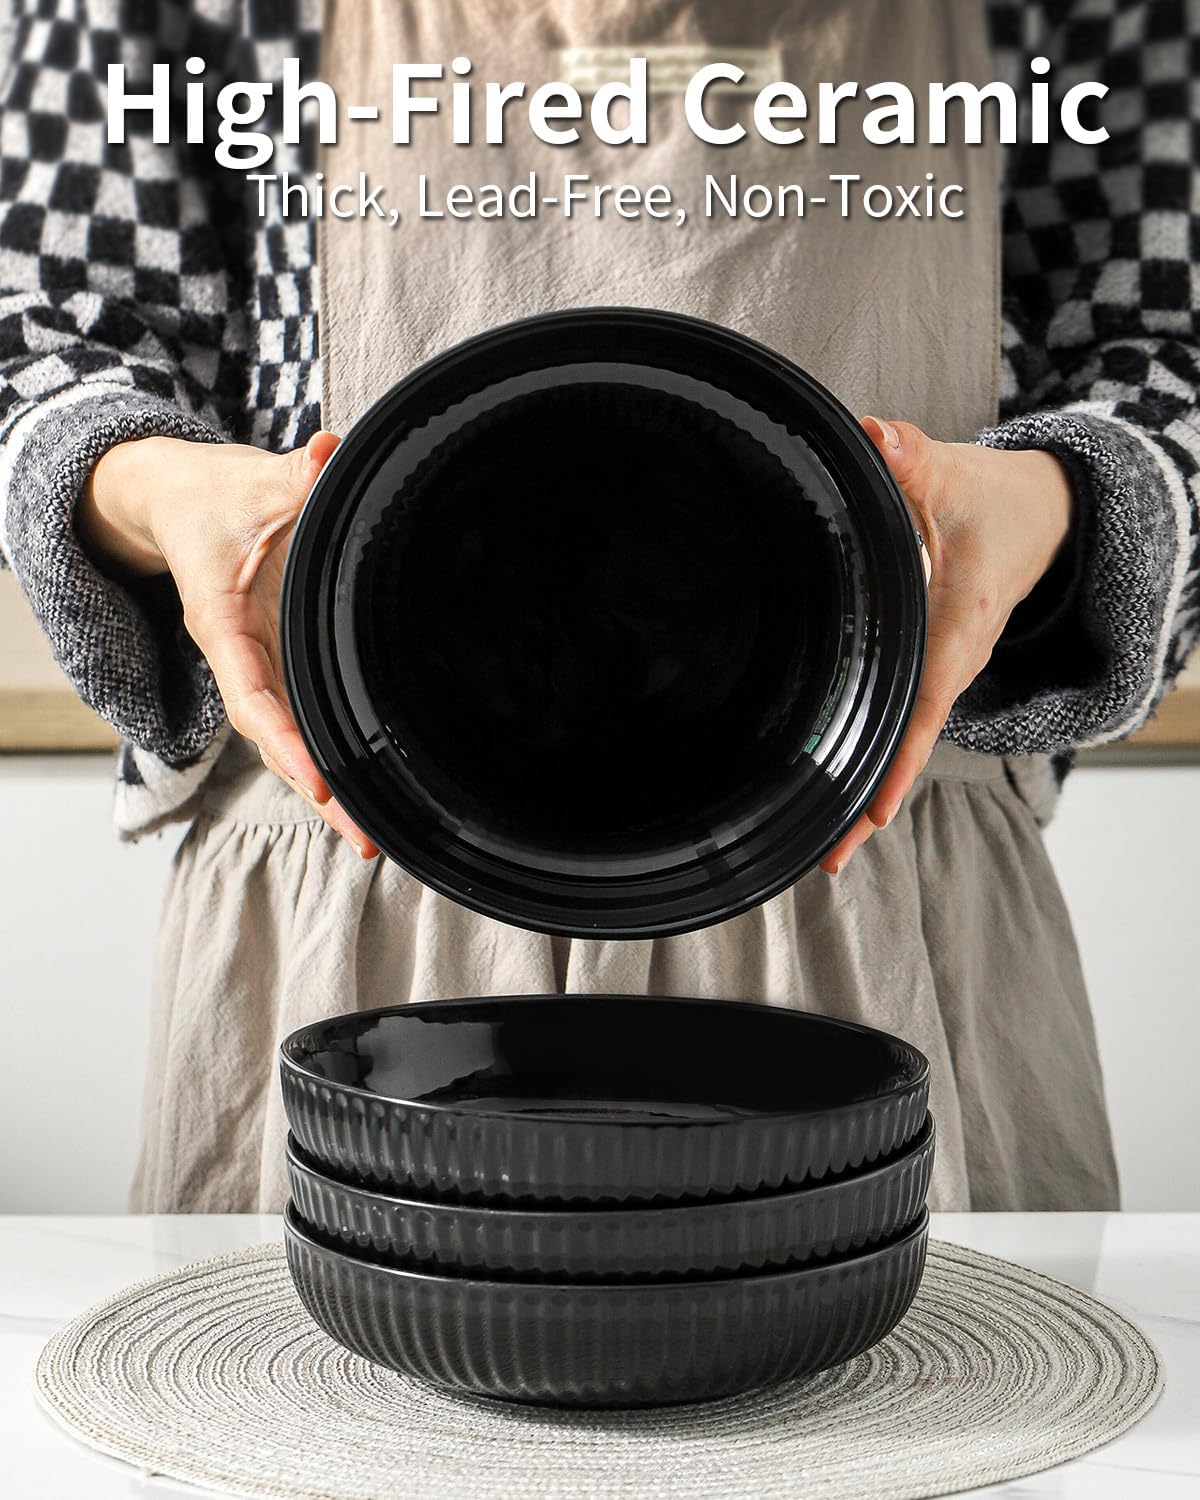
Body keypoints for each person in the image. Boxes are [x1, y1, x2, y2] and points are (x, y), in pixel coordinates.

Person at [0, 0, 1195, 1214]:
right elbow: (43, 333)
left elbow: (1168, 348)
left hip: (887, 914)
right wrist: (154, 488)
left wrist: (1060, 496)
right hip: (357, 923)